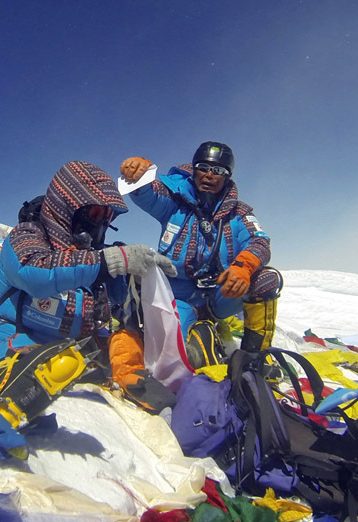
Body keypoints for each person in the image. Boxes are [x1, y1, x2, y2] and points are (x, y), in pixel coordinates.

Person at [0, 160, 175, 369]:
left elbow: (118, 301)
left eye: (108, 217)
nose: (100, 224)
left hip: (81, 356)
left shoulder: (93, 255)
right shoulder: (26, 237)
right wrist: (113, 260)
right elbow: (32, 273)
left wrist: (141, 278)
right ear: (66, 206)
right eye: (95, 213)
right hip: (19, 348)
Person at [119, 141, 282, 363]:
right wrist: (139, 176)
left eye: (218, 171)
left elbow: (259, 241)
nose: (209, 175)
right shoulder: (175, 203)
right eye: (203, 168)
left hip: (221, 294)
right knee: (174, 355)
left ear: (227, 178)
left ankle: (256, 360)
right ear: (194, 169)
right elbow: (148, 195)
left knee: (266, 279)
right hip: (179, 296)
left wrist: (242, 268)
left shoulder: (240, 214)